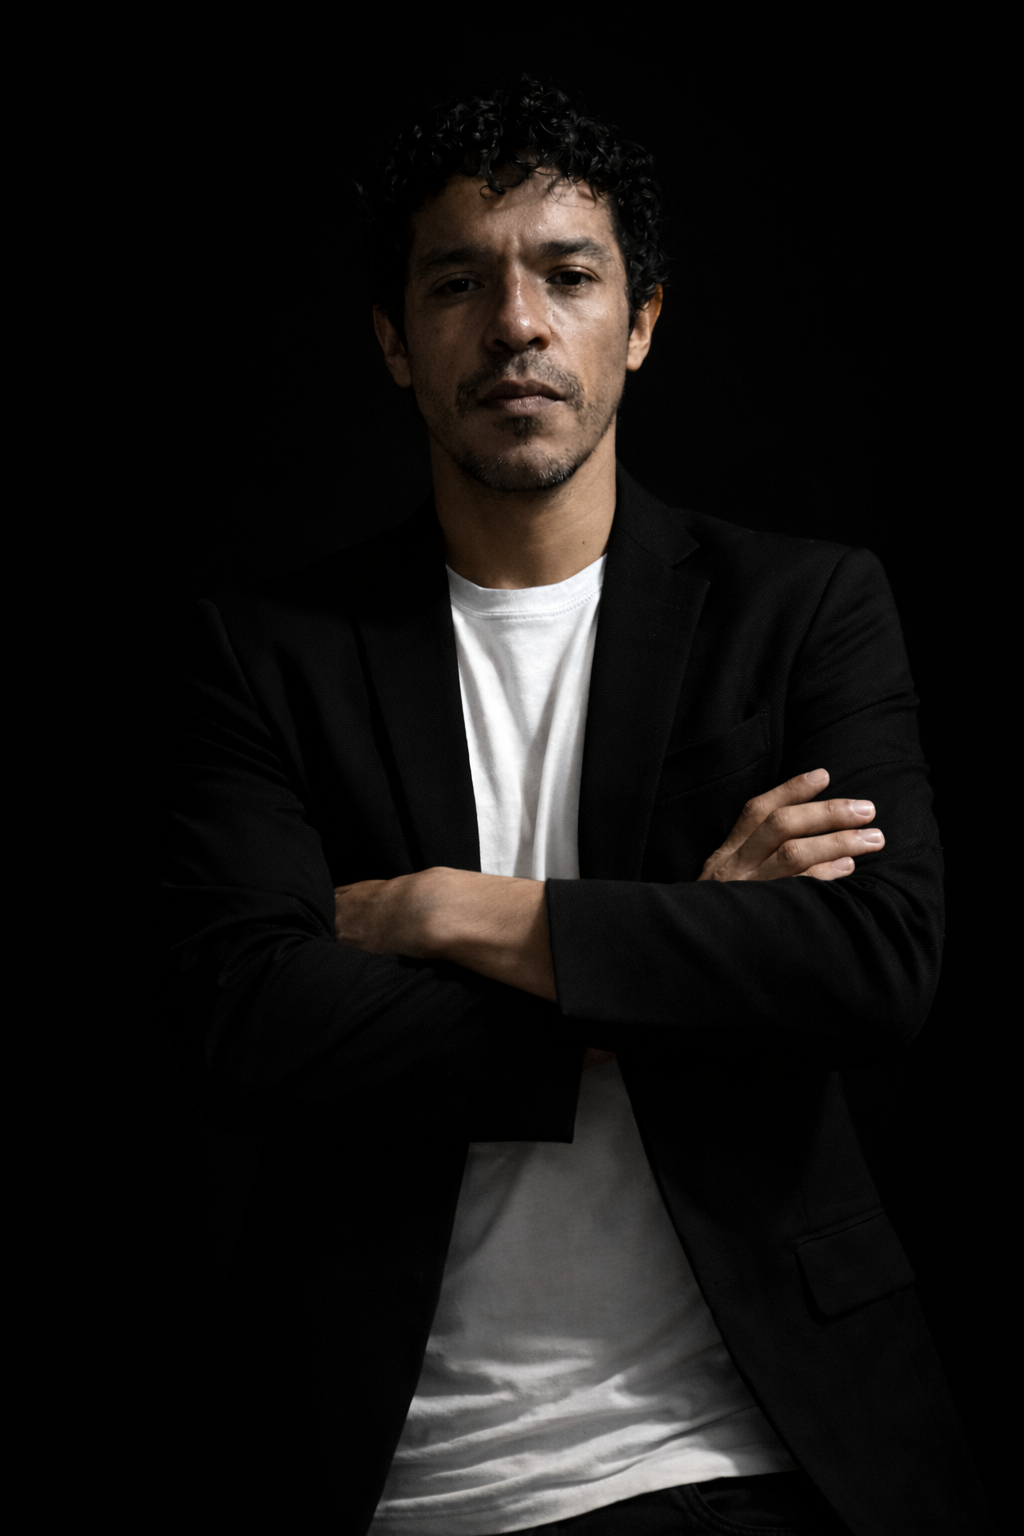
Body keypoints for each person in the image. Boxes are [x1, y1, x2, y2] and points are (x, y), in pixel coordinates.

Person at [162, 80, 988, 1535]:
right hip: (385, 1471)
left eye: (568, 274)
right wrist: (688, 947)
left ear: (641, 322)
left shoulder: (803, 610)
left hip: (742, 1451)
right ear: (393, 340)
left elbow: (874, 965)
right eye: (457, 283)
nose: (516, 325)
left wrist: (449, 913)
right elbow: (249, 1023)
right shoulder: (267, 656)